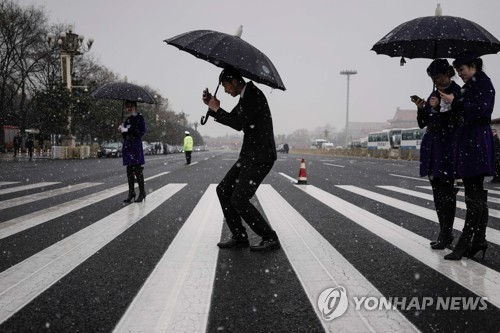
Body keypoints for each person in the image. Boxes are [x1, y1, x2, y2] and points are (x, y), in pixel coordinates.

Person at [202, 66, 280, 251]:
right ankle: (239, 236)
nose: (226, 90)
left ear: (235, 81)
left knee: (239, 199)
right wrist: (213, 108)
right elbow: (234, 118)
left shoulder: (253, 95)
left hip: (260, 157)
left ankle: (269, 237)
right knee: (223, 190)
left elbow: (238, 123)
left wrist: (217, 109)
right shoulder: (246, 96)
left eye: (226, 86)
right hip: (249, 156)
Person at [440, 52, 495, 260]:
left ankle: (465, 242)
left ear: (473, 66)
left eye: (462, 70)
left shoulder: (484, 84)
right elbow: (462, 111)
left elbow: (482, 111)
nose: (460, 74)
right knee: (475, 193)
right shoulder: (470, 86)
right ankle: (479, 240)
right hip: (470, 141)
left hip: (477, 141)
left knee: (474, 194)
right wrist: (449, 103)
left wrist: (458, 101)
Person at [413, 59, 461, 250]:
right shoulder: (434, 94)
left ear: (448, 74)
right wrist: (421, 108)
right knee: (437, 193)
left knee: (446, 194)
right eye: (434, 78)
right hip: (432, 149)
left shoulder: (456, 93)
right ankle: (444, 231)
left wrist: (438, 108)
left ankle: (446, 233)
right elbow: (423, 123)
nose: (437, 81)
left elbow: (455, 121)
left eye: (439, 77)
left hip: (446, 149)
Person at [119, 100, 147, 203]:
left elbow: (141, 132)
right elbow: (125, 135)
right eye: (126, 107)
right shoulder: (128, 119)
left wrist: (129, 130)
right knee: (129, 171)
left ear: (135, 106)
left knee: (137, 170)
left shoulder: (140, 118)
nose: (128, 109)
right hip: (128, 146)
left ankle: (142, 192)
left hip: (135, 146)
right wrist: (122, 130)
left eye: (129, 106)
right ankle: (131, 192)